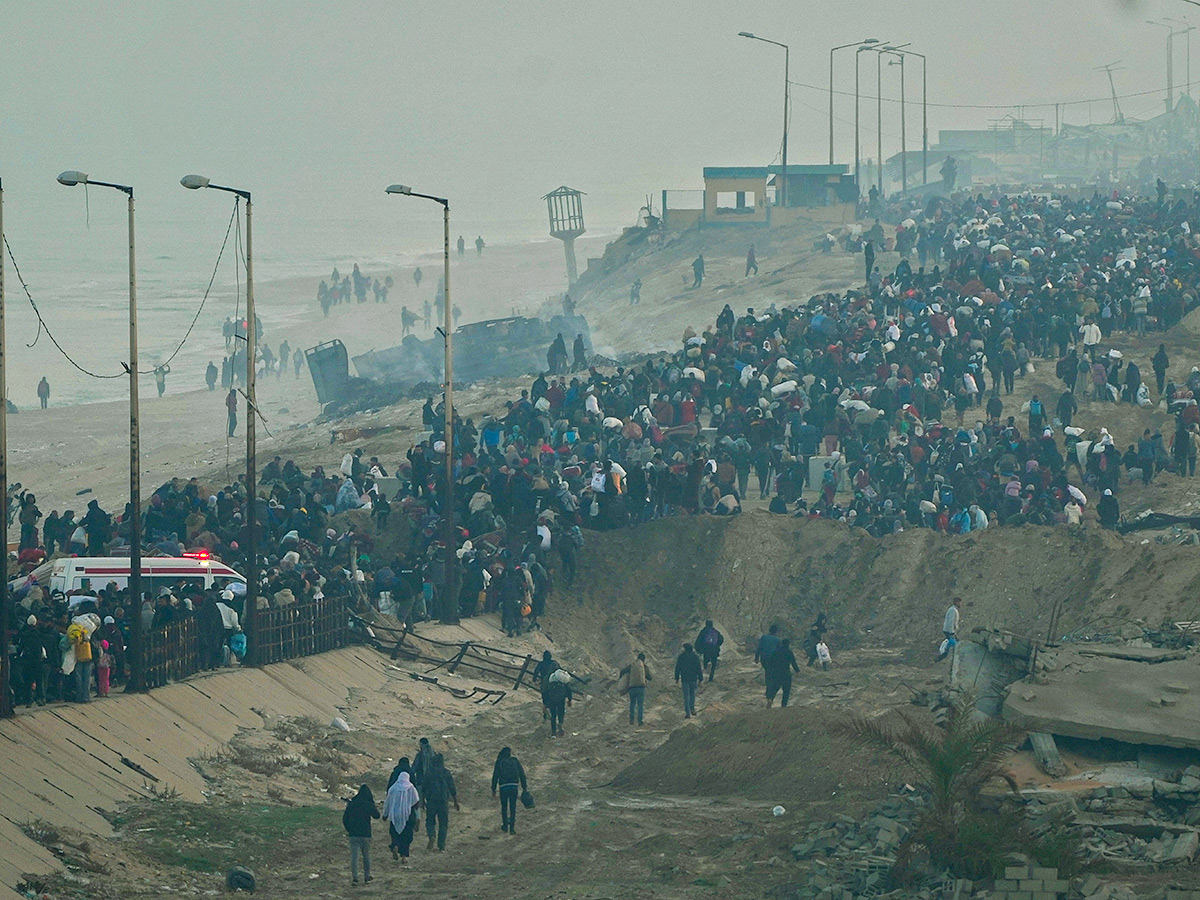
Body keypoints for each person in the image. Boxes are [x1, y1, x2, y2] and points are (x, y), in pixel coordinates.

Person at [342, 784, 379, 885]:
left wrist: (349, 829)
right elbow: (377, 816)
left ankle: (355, 878)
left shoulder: (353, 803)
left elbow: (345, 819)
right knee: (366, 856)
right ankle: (367, 877)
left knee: (354, 857)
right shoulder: (368, 804)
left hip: (354, 834)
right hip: (366, 834)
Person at [422, 753, 458, 851]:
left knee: (430, 821)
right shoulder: (446, 773)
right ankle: (441, 846)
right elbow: (452, 787)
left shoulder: (429, 773)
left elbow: (423, 788)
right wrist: (455, 801)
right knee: (443, 823)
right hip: (443, 801)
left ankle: (432, 835)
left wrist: (422, 801)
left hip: (431, 801)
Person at [384, 765, 419, 864]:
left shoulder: (393, 788)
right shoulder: (411, 788)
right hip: (408, 815)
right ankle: (404, 856)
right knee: (407, 836)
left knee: (395, 833)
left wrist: (385, 815)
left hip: (394, 815)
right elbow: (416, 801)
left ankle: (395, 845)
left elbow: (387, 802)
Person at [490, 747, 528, 834]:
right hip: (514, 786)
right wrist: (524, 787)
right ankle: (512, 828)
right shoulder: (514, 761)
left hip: (503, 787)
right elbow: (521, 773)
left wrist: (493, 789)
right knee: (512, 807)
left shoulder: (499, 761)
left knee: (504, 807)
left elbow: (495, 776)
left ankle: (505, 826)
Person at [764, 638, 799, 707]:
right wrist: (797, 671)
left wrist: (770, 671)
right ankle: (784, 705)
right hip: (786, 673)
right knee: (786, 690)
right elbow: (793, 662)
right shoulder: (789, 652)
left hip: (776, 673)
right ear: (788, 644)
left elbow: (770, 662)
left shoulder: (775, 651)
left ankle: (770, 699)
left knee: (774, 687)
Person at [620, 652, 652, 726]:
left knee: (632, 704)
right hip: (641, 688)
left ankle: (631, 720)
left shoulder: (632, 665)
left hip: (632, 688)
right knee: (640, 705)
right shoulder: (644, 666)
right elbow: (650, 678)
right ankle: (640, 721)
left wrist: (622, 679)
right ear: (644, 659)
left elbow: (622, 671)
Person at [673, 643, 703, 718]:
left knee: (686, 696)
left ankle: (687, 713)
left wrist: (676, 678)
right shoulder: (695, 657)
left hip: (685, 679)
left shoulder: (681, 657)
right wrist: (700, 678)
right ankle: (692, 708)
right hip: (693, 678)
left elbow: (678, 668)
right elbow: (698, 668)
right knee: (692, 694)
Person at [542, 669, 572, 737]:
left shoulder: (549, 678)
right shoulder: (563, 679)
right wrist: (569, 700)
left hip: (551, 699)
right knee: (561, 712)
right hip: (561, 699)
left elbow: (545, 691)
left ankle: (553, 733)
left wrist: (545, 703)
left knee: (553, 715)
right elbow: (569, 690)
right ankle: (560, 723)